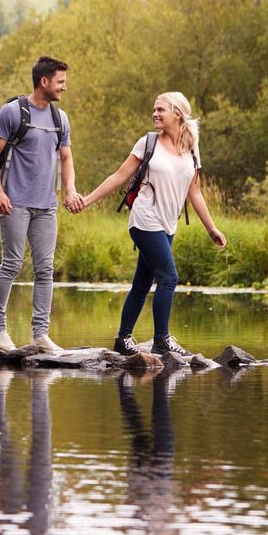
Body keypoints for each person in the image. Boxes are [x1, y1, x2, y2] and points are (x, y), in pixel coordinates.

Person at [80, 92, 225, 357]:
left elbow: (195, 192)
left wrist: (211, 228)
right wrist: (87, 200)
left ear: (178, 114)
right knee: (168, 277)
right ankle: (162, 340)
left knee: (142, 284)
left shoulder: (191, 147)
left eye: (160, 110)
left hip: (169, 224)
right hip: (145, 219)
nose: (155, 114)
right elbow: (118, 177)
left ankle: (122, 339)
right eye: (154, 109)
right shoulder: (147, 143)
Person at [0, 55, 84, 353]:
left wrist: (70, 190)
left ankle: (40, 336)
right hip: (14, 202)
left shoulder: (60, 119)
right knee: (12, 263)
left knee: (45, 269)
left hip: (47, 206)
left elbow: (66, 157)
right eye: (60, 82)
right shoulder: (11, 112)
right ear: (44, 82)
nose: (64, 88)